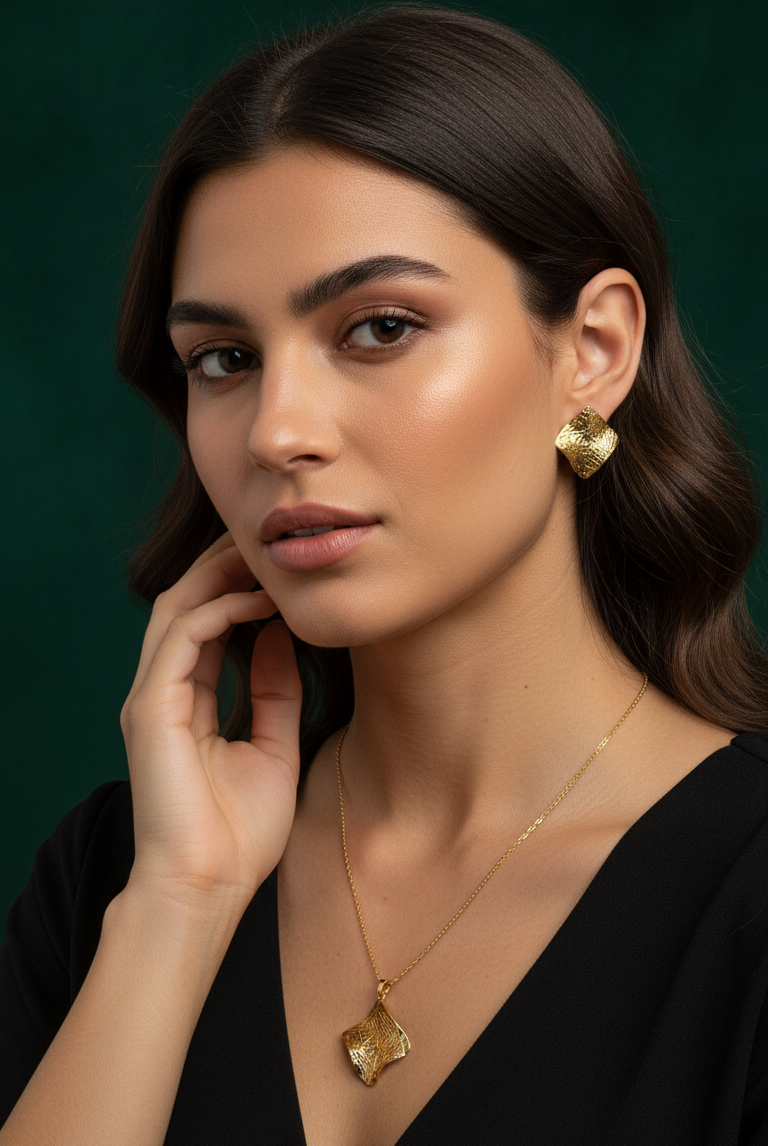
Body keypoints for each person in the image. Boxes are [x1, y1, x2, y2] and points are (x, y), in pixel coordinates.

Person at [1, 5, 767, 1143]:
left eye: (379, 327)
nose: (275, 431)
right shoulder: (118, 879)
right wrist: (180, 907)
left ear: (594, 354)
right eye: (224, 358)